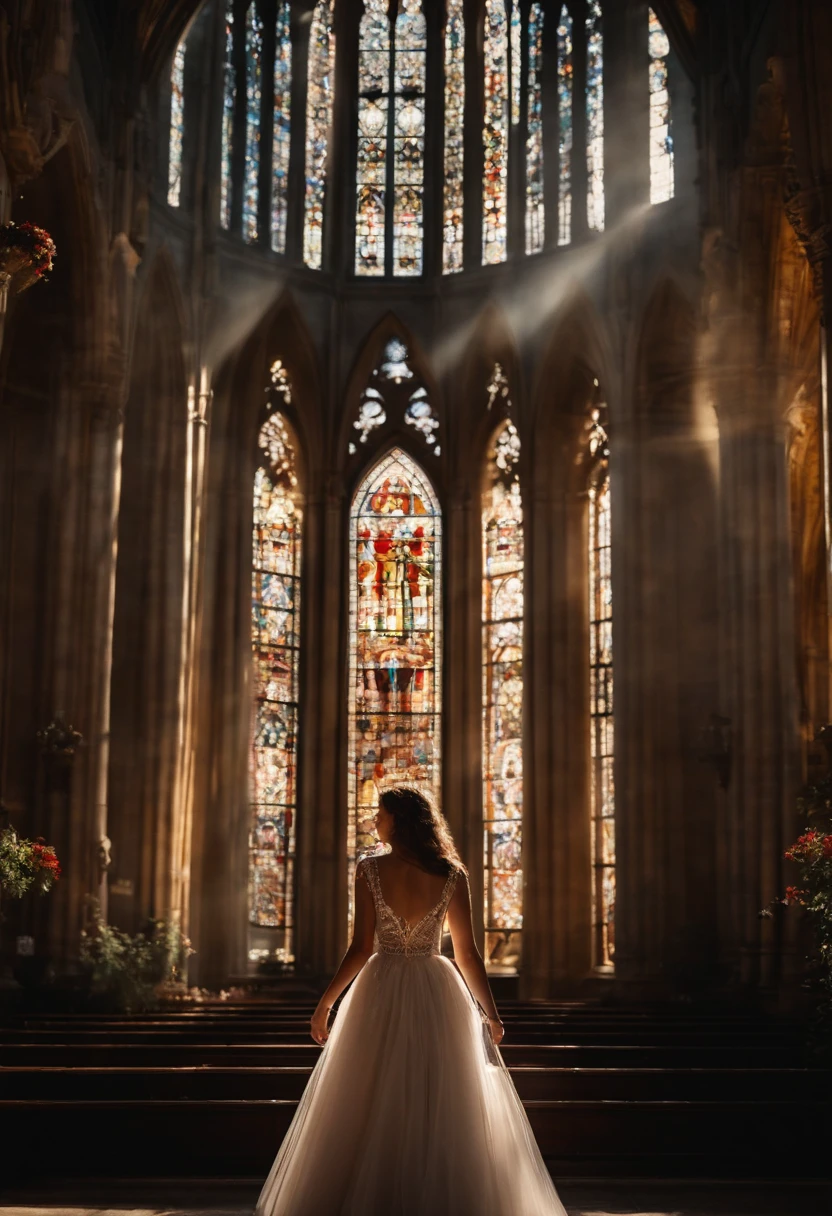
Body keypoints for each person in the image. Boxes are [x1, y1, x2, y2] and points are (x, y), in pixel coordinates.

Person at [255, 785, 567, 1216]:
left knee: (370, 1092)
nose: (374, 821)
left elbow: (361, 948)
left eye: (380, 814)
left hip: (379, 986)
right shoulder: (452, 874)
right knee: (438, 1094)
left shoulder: (369, 870)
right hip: (438, 988)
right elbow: (468, 955)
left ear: (399, 820)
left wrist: (326, 1002)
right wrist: (490, 1013)